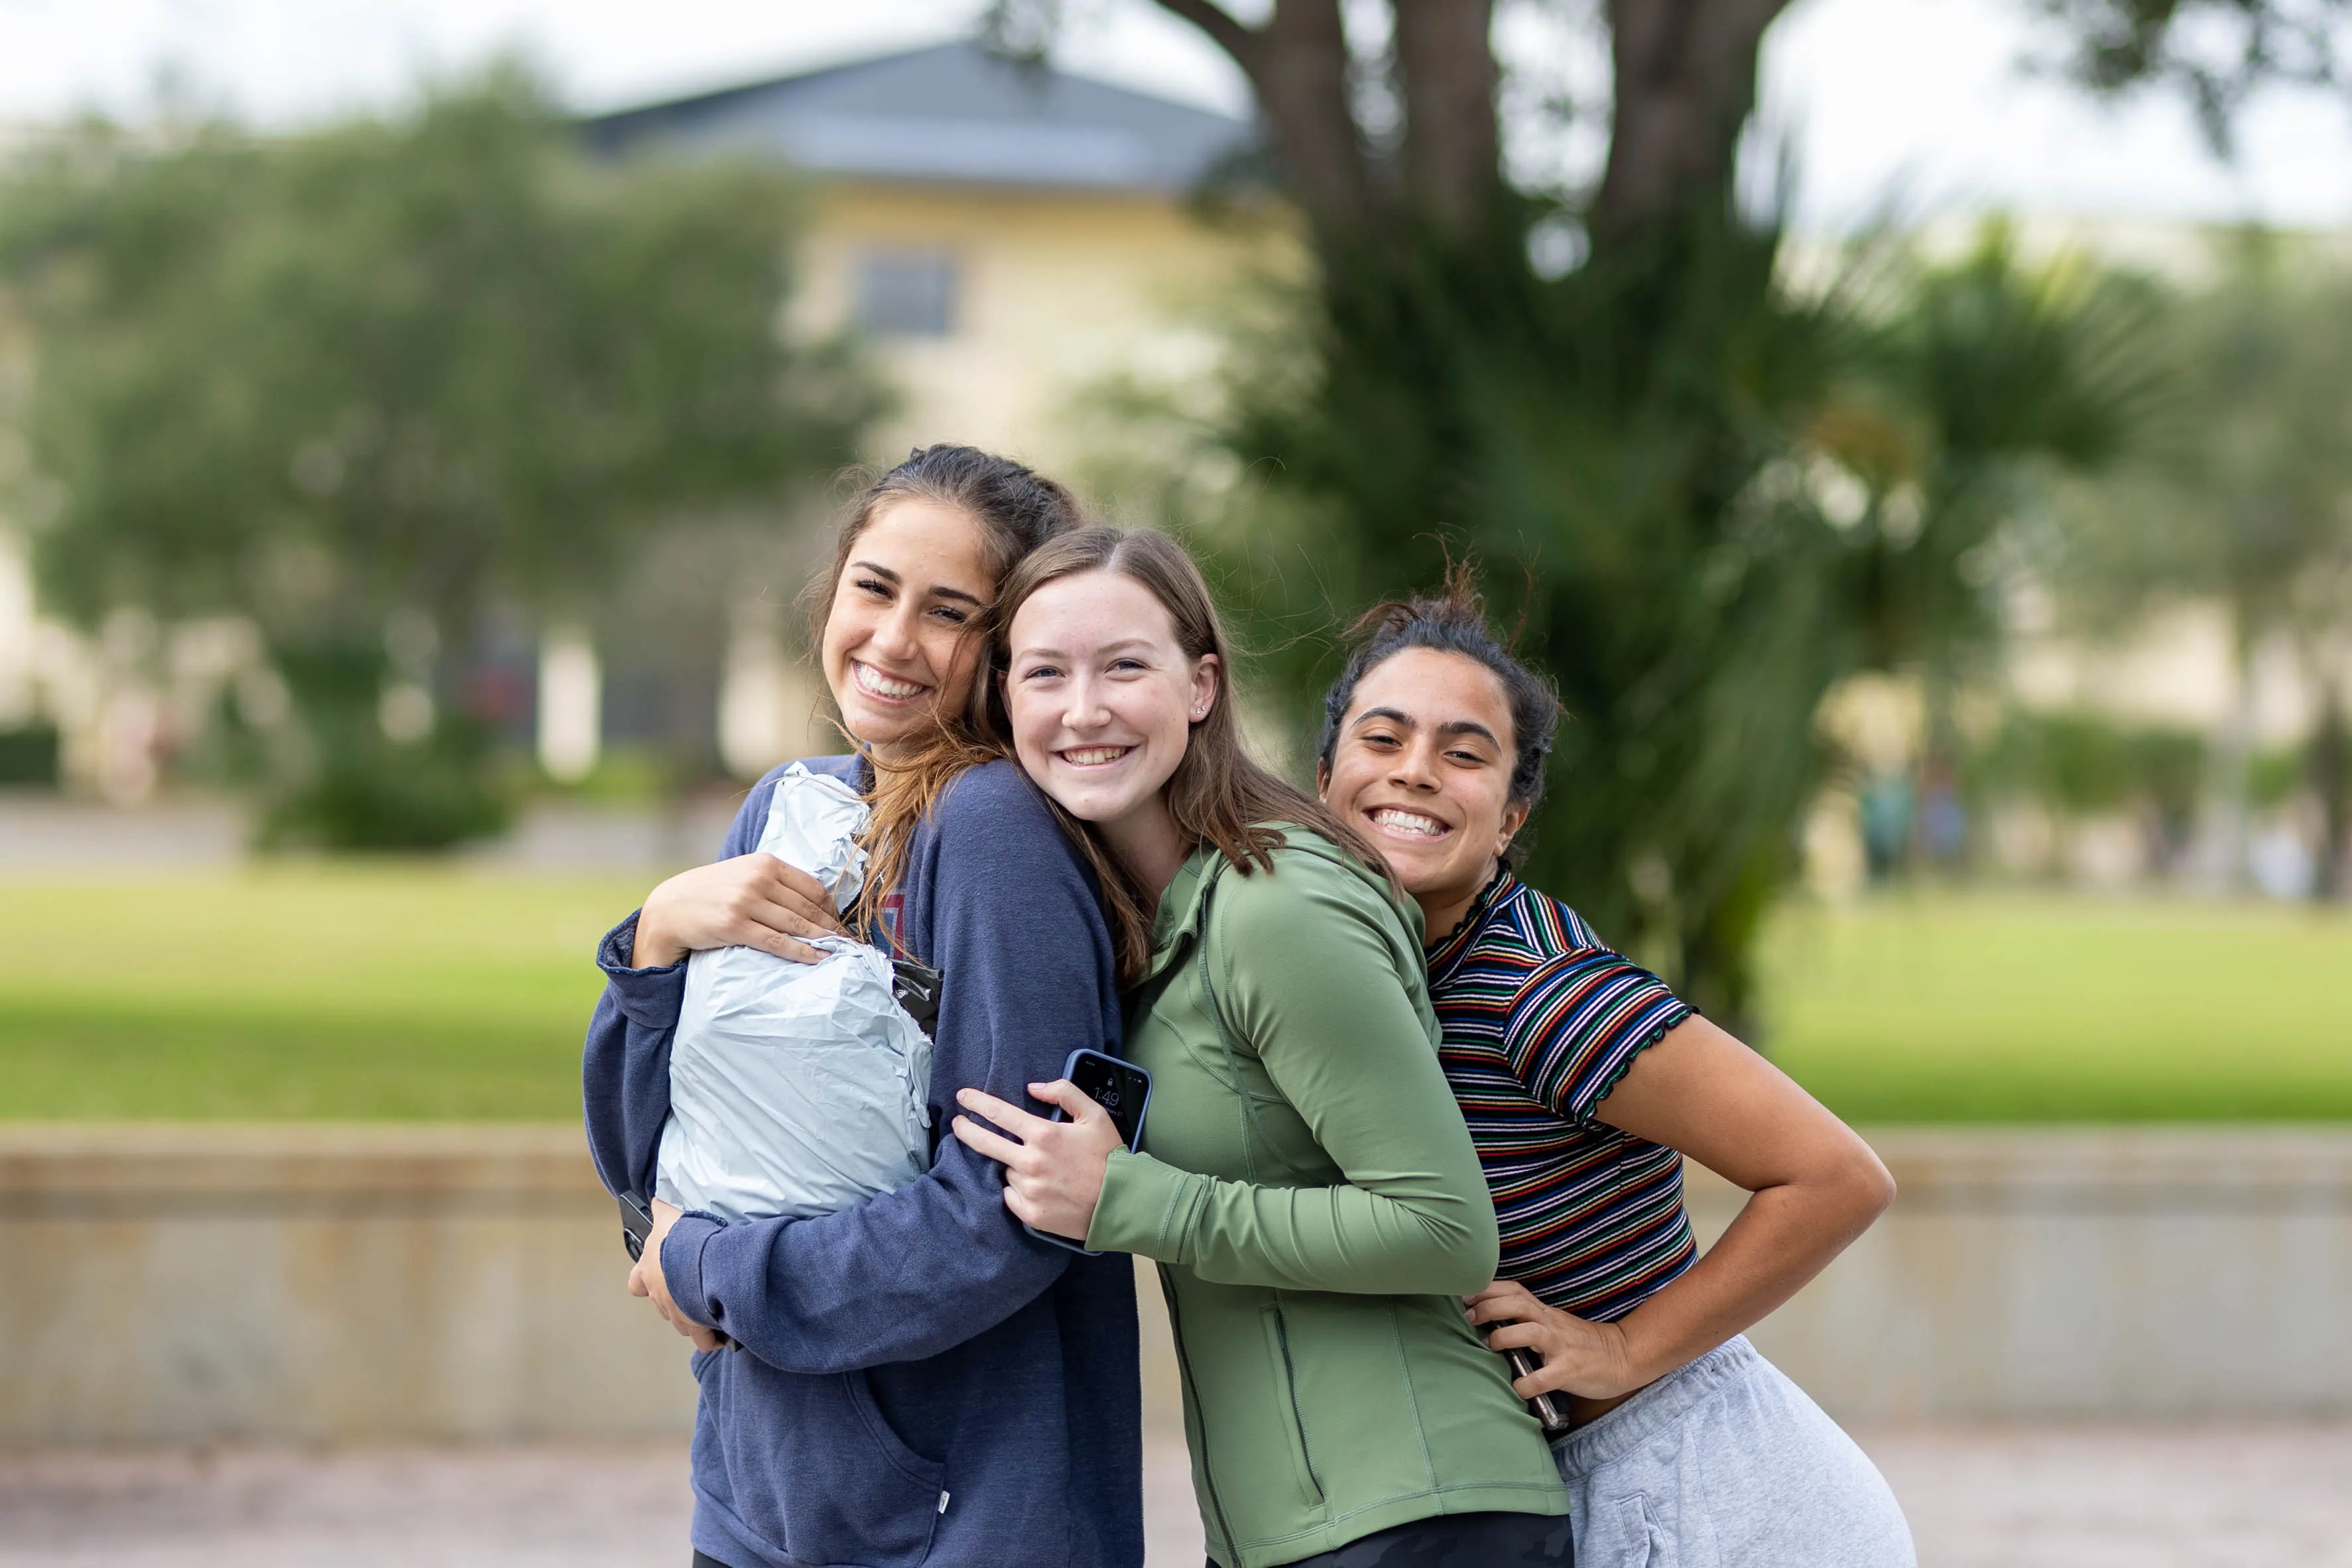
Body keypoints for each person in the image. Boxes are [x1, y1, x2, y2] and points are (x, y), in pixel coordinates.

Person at [946, 527, 1570, 1568]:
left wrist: (1127, 1199)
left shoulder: (1275, 905)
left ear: (1200, 686)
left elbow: (1443, 1227)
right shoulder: (1151, 922)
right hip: (1299, 1533)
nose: (1083, 708)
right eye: (1045, 673)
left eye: (1124, 667)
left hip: (1419, 1519)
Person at [580, 446, 1143, 1568]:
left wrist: (712, 1272)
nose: (893, 641)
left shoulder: (992, 837)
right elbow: (648, 1160)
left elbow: (1007, 1215)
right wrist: (656, 938)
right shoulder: (789, 808)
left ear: (1002, 652)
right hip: (762, 1497)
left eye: (949, 612)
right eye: (875, 589)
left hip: (958, 1521)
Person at [1313, 571, 1917, 1568]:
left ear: (1509, 817)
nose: (1413, 771)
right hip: (1565, 1481)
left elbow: (1836, 1177)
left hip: (1702, 1494)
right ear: (1326, 772)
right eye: (1382, 739)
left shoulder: (1536, 992)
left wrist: (1624, 1348)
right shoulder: (1359, 965)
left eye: (1464, 755)